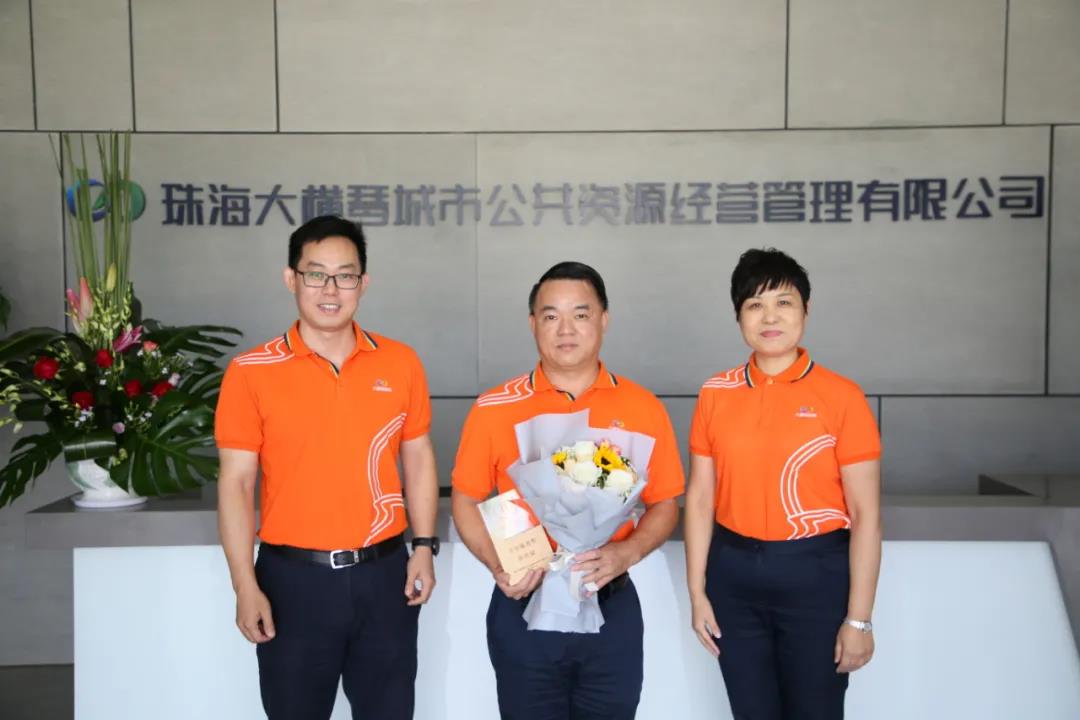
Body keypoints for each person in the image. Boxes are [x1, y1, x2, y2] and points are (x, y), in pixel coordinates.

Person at [215, 215, 440, 719]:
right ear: (291, 278)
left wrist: (424, 547)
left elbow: (419, 457)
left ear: (364, 282)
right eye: (316, 274)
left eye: (345, 275)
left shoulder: (400, 362)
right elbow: (236, 483)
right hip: (293, 581)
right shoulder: (251, 372)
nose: (331, 289)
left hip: (385, 575)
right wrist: (244, 585)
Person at [451, 260, 685, 719]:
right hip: (524, 603)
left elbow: (665, 504)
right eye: (550, 315)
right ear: (532, 323)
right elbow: (465, 498)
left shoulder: (642, 407)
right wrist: (498, 563)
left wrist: (626, 553)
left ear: (603, 319)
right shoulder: (494, 407)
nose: (565, 329)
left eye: (580, 314)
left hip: (611, 601)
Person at [684, 248, 882, 720]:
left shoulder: (842, 396)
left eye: (784, 302)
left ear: (805, 311)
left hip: (816, 576)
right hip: (733, 578)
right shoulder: (715, 393)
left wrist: (859, 619)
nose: (769, 317)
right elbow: (701, 498)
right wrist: (697, 593)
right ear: (739, 317)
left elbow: (866, 515)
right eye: (755, 305)